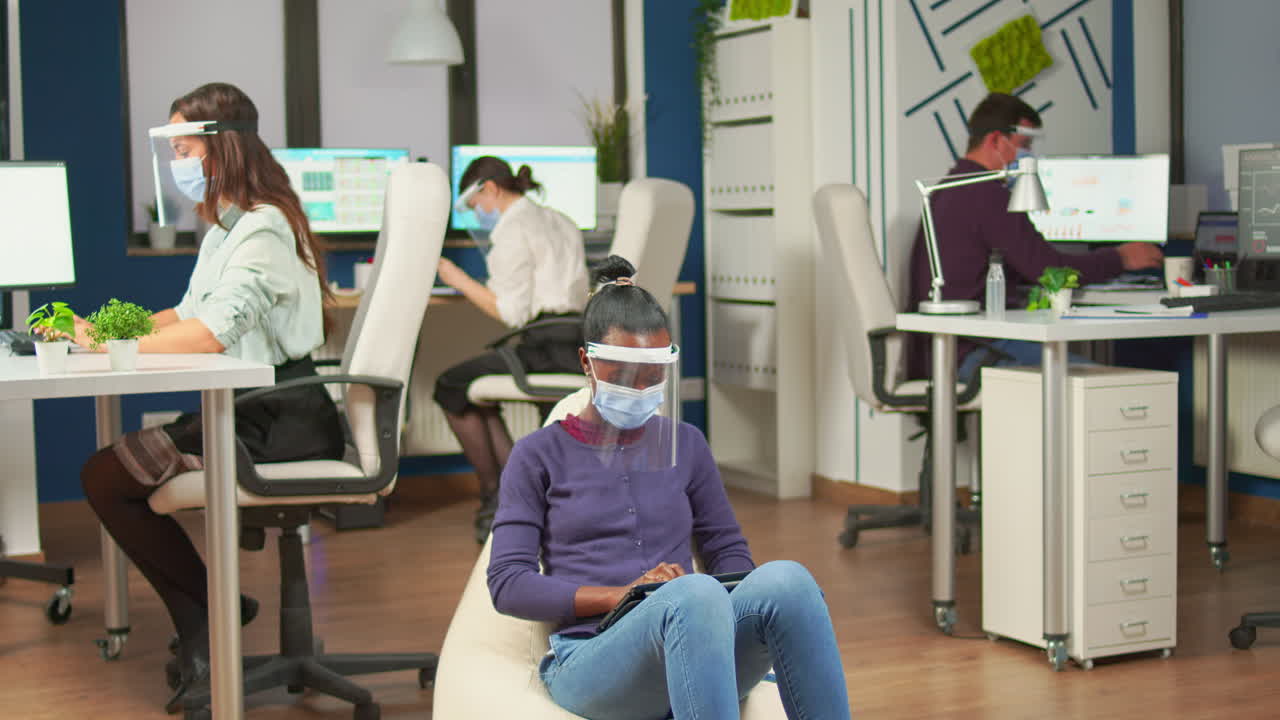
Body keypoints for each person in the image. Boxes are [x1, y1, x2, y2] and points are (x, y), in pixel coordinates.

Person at [487, 255, 851, 719]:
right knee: (691, 595)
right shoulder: (537, 455)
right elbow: (508, 584)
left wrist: (717, 598)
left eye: (653, 375)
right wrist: (628, 594)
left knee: (790, 581)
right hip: (593, 659)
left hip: (693, 633)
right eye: (621, 375)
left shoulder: (687, 444)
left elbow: (728, 550)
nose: (640, 388)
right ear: (587, 361)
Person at [78, 82, 346, 712]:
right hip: (247, 407)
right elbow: (184, 312)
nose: (176, 161)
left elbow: (211, 331)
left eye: (183, 146)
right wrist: (108, 329)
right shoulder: (227, 229)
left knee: (105, 476)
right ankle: (211, 611)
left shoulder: (263, 229)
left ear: (221, 148)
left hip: (280, 419)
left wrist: (107, 350)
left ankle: (206, 619)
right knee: (108, 475)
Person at [907, 92, 1163, 379]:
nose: (1030, 155)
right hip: (973, 353)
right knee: (1107, 384)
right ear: (995, 140)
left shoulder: (948, 189)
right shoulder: (986, 194)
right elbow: (1047, 270)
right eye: (1025, 145)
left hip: (945, 352)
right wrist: (1121, 257)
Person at [433, 156, 589, 542]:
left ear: (490, 190)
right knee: (476, 390)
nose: (479, 215)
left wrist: (457, 279)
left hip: (544, 345)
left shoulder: (511, 229)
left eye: (476, 207)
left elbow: (512, 313)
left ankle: (496, 496)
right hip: (576, 343)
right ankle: (509, 495)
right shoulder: (560, 220)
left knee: (450, 385)